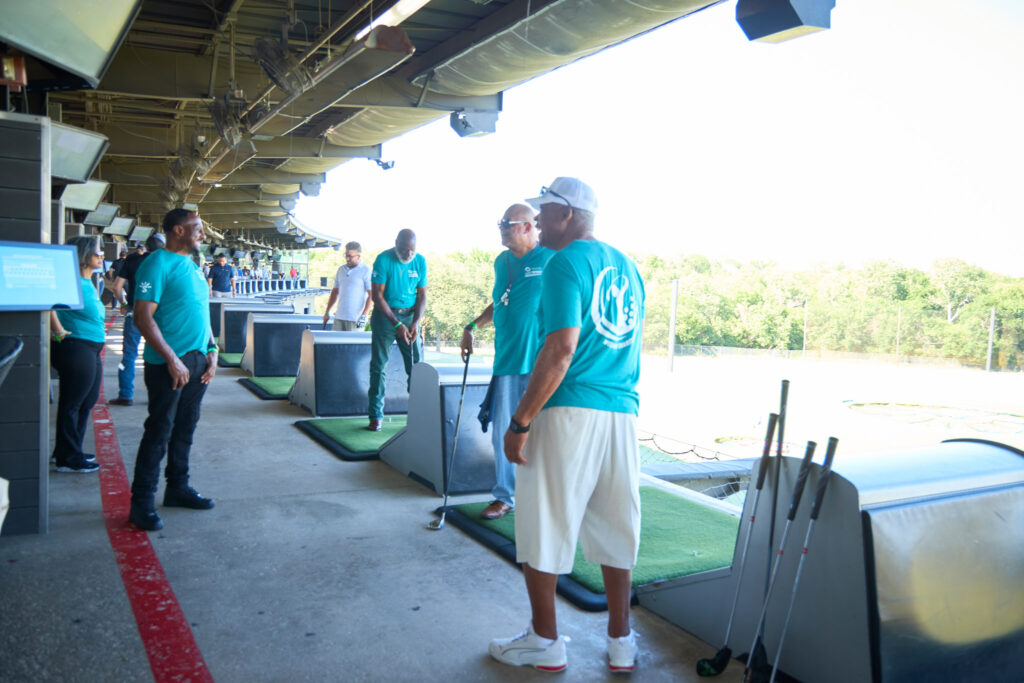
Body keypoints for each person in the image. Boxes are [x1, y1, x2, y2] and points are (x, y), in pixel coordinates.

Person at [488, 178, 645, 673]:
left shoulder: (564, 264)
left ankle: (544, 641)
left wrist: (520, 421)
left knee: (542, 521)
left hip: (569, 410)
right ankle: (621, 642)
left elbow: (560, 350)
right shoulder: (628, 267)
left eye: (545, 211)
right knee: (617, 523)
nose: (539, 221)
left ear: (568, 214)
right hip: (622, 413)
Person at [129, 209, 218, 531]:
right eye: (197, 228)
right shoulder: (157, 263)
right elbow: (142, 317)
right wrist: (171, 359)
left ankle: (177, 488)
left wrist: (212, 350)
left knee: (185, 429)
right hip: (168, 366)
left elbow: (201, 313)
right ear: (178, 230)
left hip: (197, 362)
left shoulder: (193, 266)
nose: (203, 235)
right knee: (159, 431)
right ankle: (141, 503)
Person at [461, 204, 552, 520]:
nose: (501, 228)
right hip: (507, 361)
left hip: (541, 363)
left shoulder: (550, 257)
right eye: (499, 223)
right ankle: (505, 496)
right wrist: (472, 326)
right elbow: (500, 301)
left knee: (543, 433)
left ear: (527, 226)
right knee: (504, 431)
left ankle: (544, 498)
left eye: (506, 223)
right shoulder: (501, 262)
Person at [48, 235, 107, 473]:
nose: (102, 257)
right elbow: (48, 303)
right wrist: (58, 330)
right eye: (97, 253)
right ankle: (68, 459)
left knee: (86, 401)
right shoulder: (69, 281)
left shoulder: (88, 281)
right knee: (72, 403)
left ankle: (69, 450)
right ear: (83, 256)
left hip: (91, 346)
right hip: (76, 346)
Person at [367, 229, 427, 431]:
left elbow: (422, 295)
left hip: (409, 316)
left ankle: (419, 414)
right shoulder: (383, 259)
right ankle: (376, 416)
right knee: (379, 366)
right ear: (396, 244)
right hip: (386, 317)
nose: (408, 254)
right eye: (404, 249)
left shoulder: (420, 261)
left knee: (416, 367)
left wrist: (415, 322)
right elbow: (377, 296)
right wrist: (396, 324)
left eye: (412, 250)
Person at [109, 234, 165, 407]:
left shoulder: (132, 260)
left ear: (146, 247)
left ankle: (125, 395)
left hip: (135, 311)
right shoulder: (165, 262)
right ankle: (157, 395)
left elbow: (117, 287)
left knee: (129, 354)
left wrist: (123, 303)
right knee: (159, 353)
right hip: (158, 313)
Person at [322, 241, 372, 331]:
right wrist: (327, 312)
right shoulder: (341, 270)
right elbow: (335, 292)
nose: (347, 259)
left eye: (350, 256)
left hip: (355, 319)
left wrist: (364, 315)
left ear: (358, 256)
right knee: (334, 340)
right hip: (339, 318)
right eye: (346, 255)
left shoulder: (366, 270)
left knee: (353, 341)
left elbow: (372, 295)